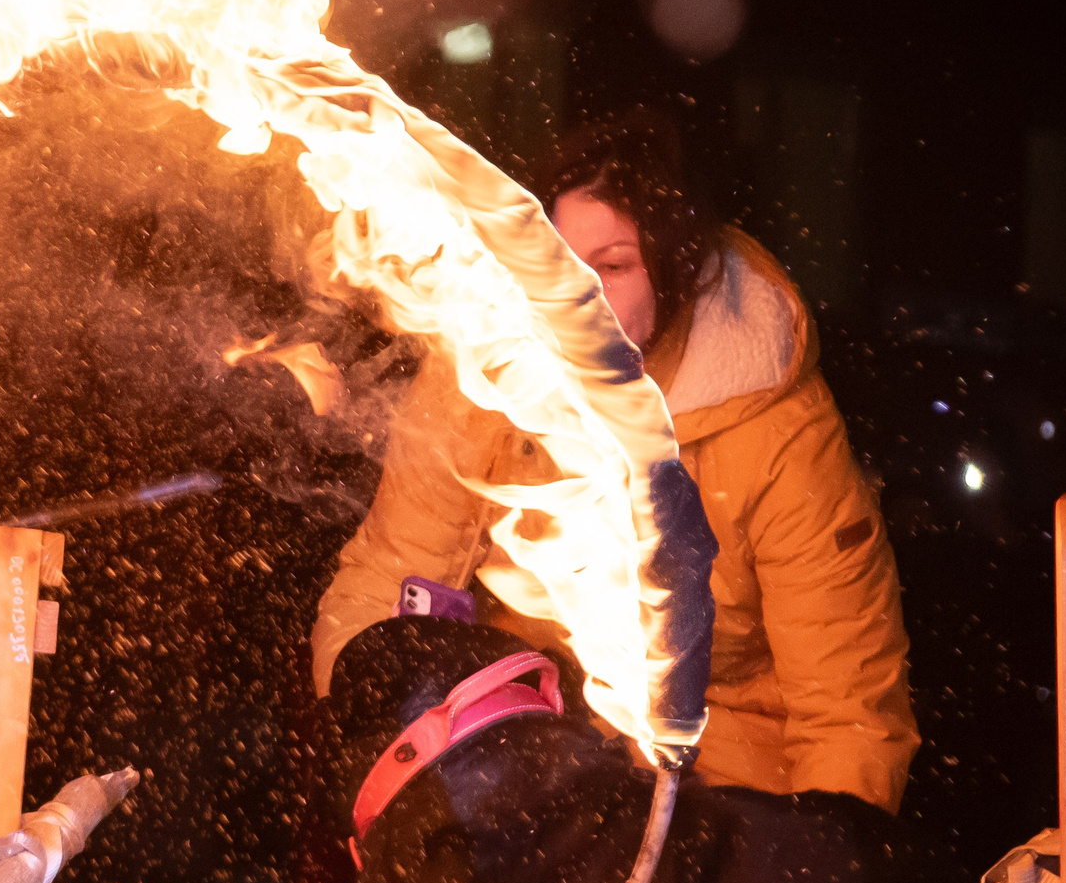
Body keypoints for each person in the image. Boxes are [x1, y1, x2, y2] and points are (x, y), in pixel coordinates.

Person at [313, 110, 919, 815]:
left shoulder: (777, 432)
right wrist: (376, 750)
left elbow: (849, 711)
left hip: (723, 789)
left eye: (614, 266)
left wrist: (812, 870)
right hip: (529, 764)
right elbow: (386, 578)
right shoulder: (479, 378)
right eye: (560, 263)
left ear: (676, 271)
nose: (578, 297)